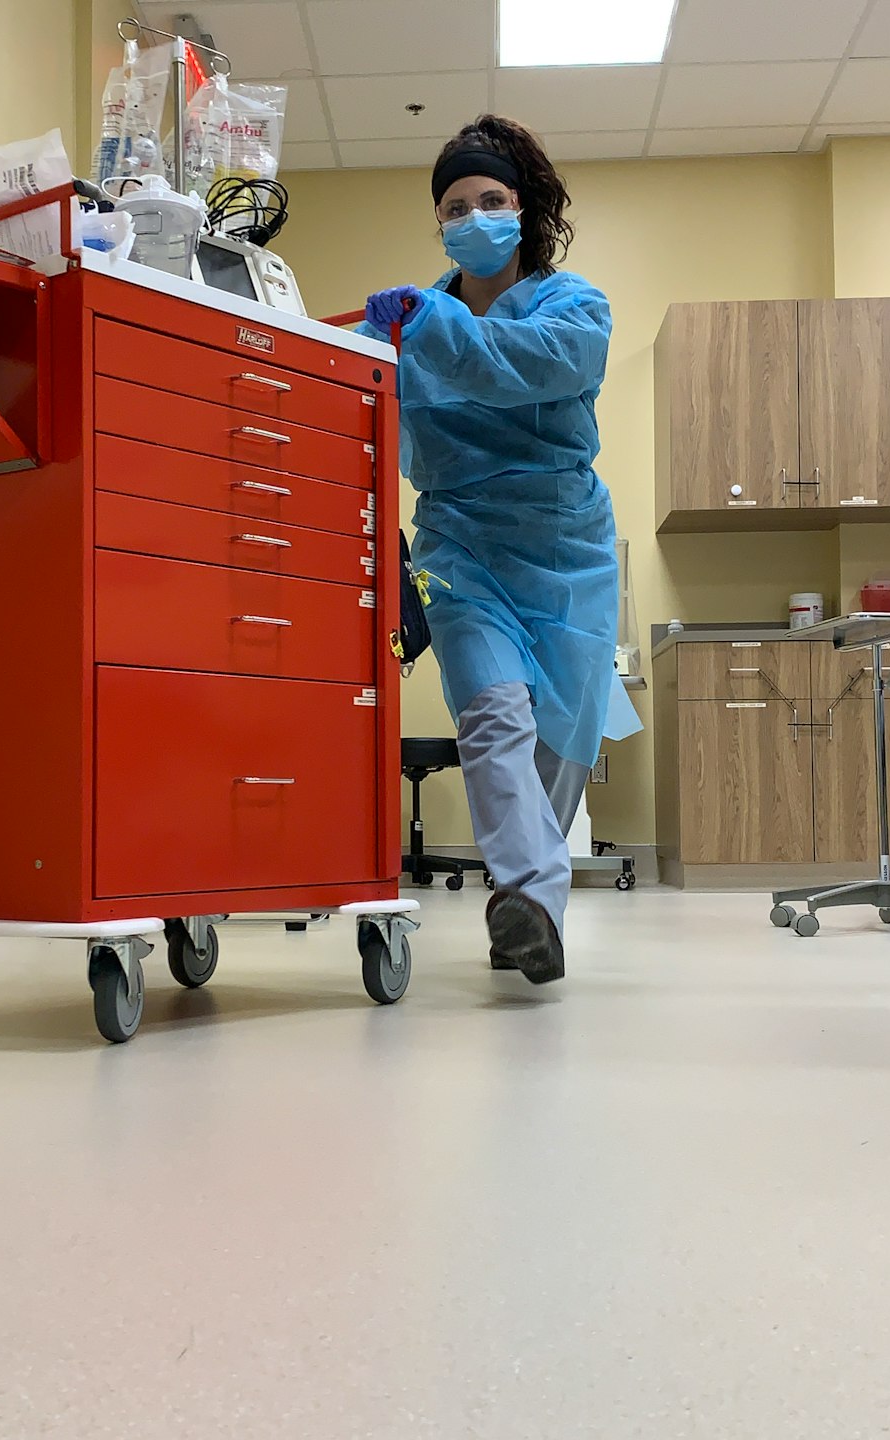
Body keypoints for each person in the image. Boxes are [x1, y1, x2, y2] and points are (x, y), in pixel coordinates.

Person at [362, 114, 639, 986]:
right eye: (455, 207)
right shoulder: (411, 324)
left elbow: (529, 363)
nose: (473, 217)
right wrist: (362, 351)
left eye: (490, 200)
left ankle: (526, 910)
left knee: (559, 746)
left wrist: (430, 328)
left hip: (567, 551)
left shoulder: (573, 306)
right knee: (493, 714)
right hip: (461, 547)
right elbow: (355, 411)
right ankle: (527, 896)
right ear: (439, 223)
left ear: (524, 211)